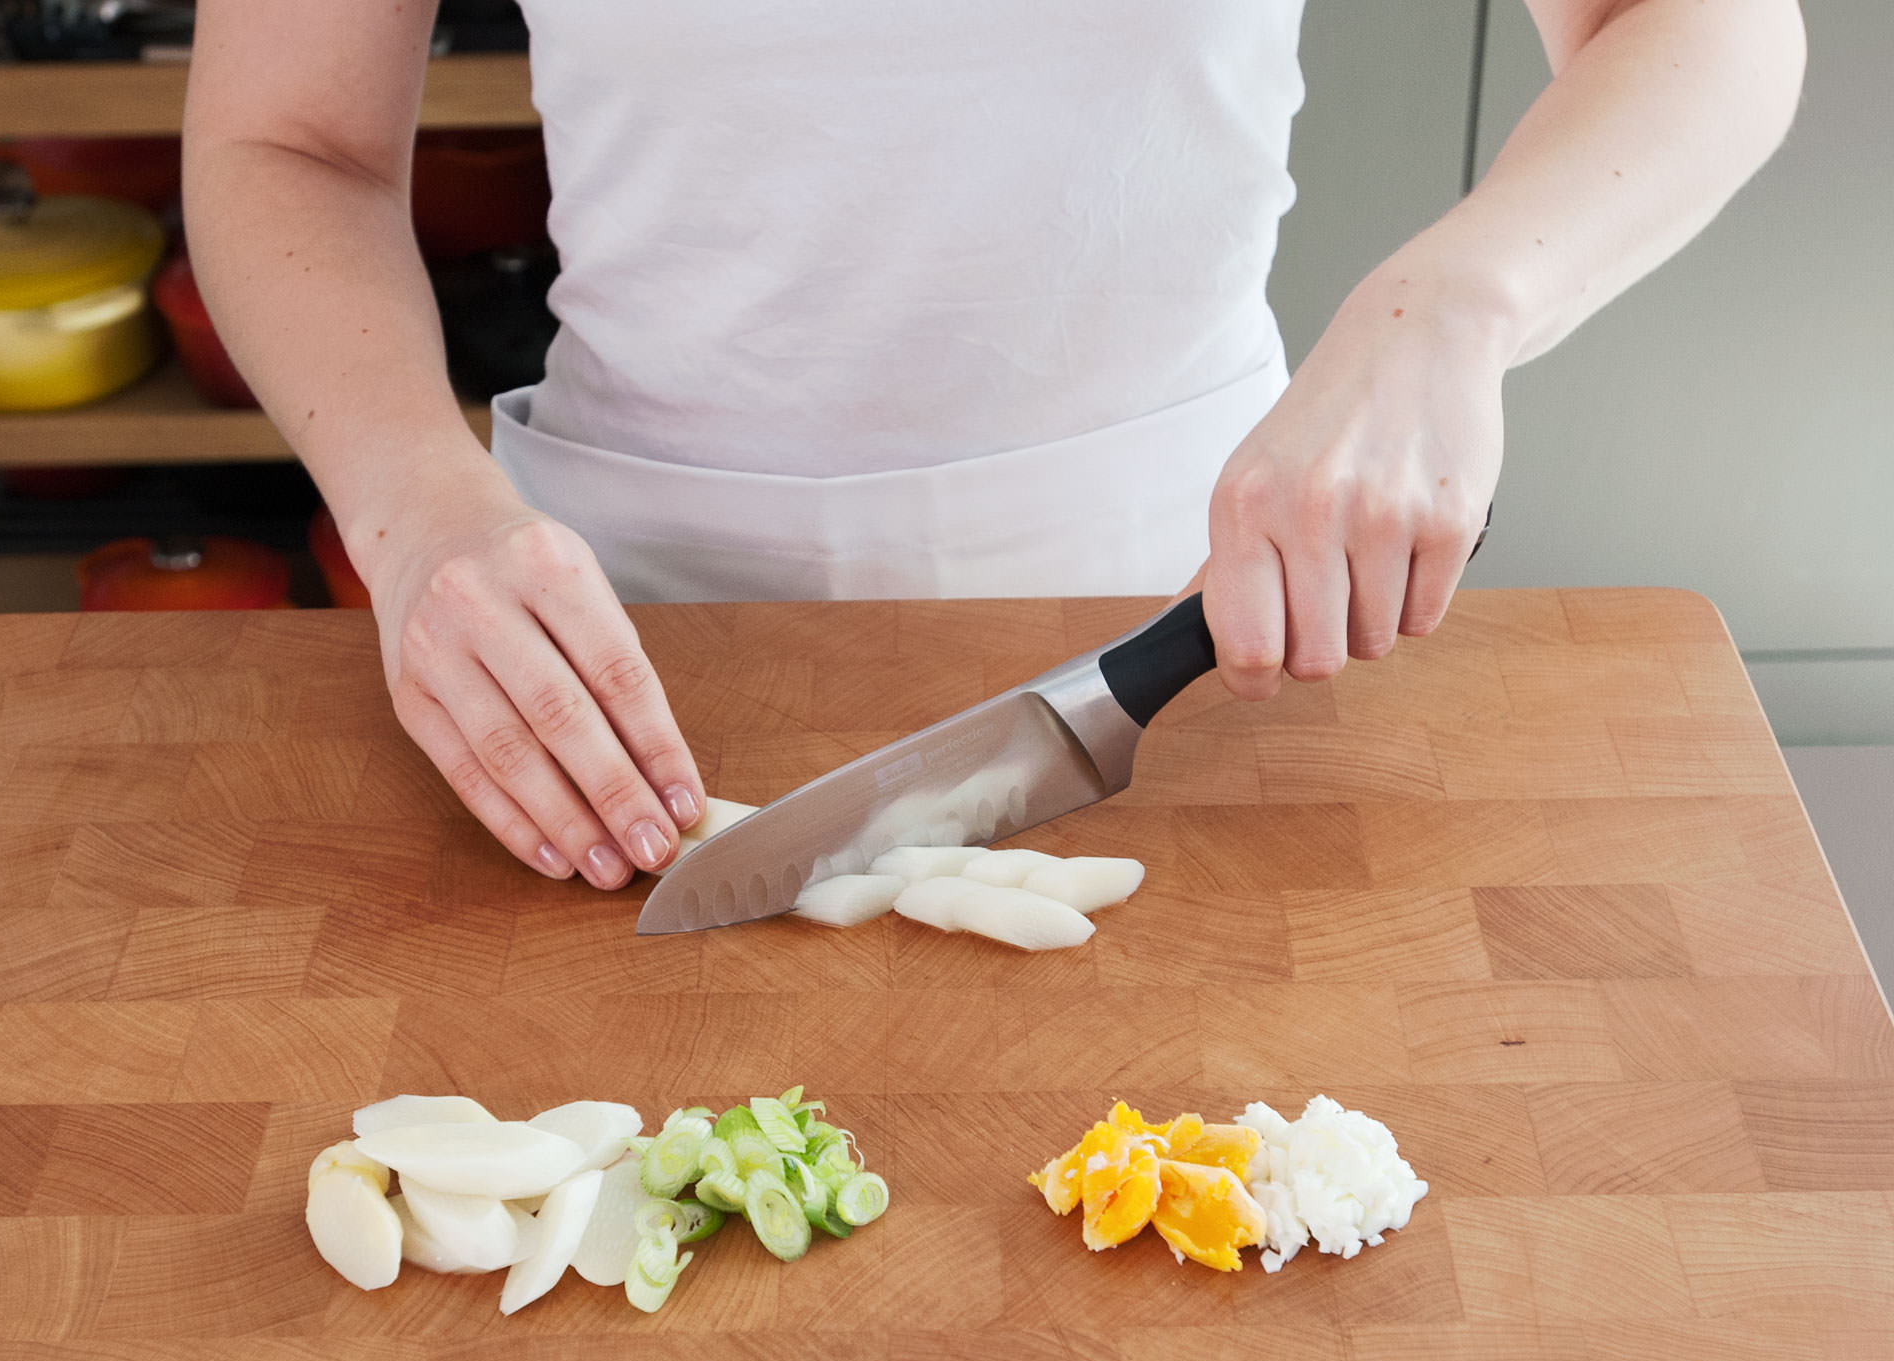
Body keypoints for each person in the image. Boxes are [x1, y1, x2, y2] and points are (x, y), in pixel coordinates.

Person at [183, 0, 1805, 891]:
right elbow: (287, 136)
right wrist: (409, 500)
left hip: (1195, 623)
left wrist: (1455, 302)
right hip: (616, 638)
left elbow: (1707, 23)